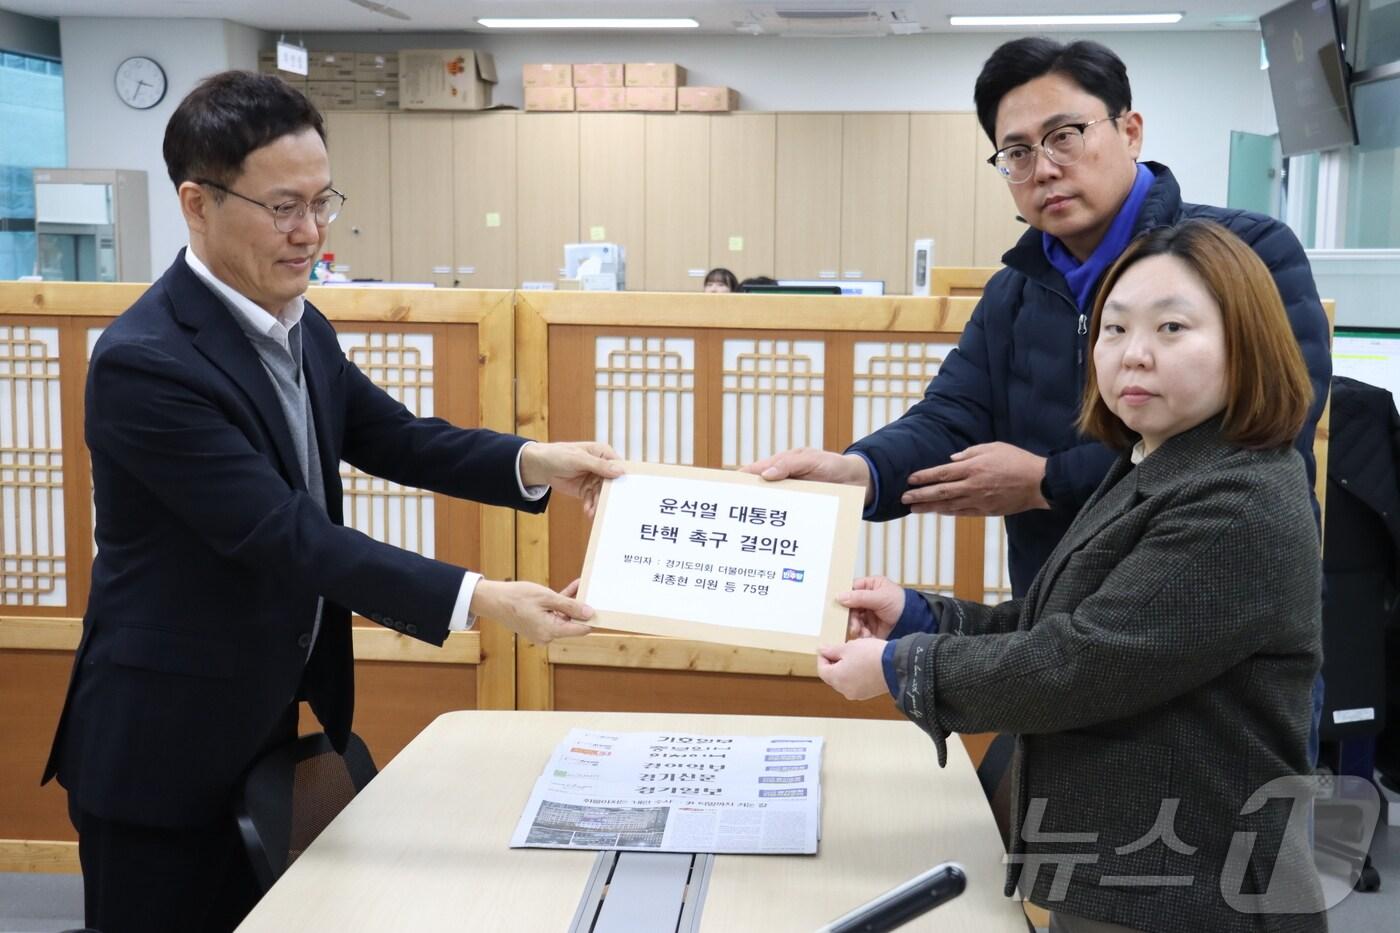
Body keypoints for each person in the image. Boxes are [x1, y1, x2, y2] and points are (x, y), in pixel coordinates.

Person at [42, 71, 619, 933]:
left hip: (263, 722)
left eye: (322, 201)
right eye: (282, 208)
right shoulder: (146, 362)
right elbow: (286, 535)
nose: (309, 232)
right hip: (160, 747)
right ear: (196, 205)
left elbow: (396, 436)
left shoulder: (301, 320)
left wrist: (536, 459)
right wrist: (484, 600)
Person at [818, 220, 1325, 933]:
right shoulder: (1156, 462)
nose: (1134, 355)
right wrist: (916, 616)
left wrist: (901, 666)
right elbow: (1051, 622)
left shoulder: (1238, 497)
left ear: (1247, 342)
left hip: (1192, 889)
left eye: (1172, 328)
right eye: (1113, 330)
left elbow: (1080, 662)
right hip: (1128, 865)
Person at [743, 38, 1330, 600]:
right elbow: (954, 417)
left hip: (1216, 600)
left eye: (1065, 136)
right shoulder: (1014, 292)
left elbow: (1259, 429)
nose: (1043, 168)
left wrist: (1048, 481)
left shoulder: (1247, 252)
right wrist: (860, 471)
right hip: (1059, 619)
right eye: (1018, 152)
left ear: (1130, 132)